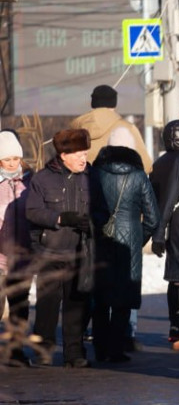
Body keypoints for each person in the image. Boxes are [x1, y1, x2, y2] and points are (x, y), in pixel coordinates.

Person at [25, 128, 94, 368]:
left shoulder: (91, 177)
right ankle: (43, 352)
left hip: (79, 251)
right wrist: (61, 219)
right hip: (49, 252)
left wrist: (92, 223)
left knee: (76, 305)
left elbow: (103, 209)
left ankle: (74, 353)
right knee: (47, 306)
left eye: (85, 152)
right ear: (63, 154)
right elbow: (32, 211)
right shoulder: (42, 179)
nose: (83, 158)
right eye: (78, 153)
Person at [89, 127, 159, 364]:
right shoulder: (139, 176)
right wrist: (140, 239)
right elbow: (153, 218)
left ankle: (99, 347)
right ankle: (116, 349)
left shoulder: (95, 172)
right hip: (129, 242)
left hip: (100, 240)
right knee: (123, 298)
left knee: (101, 297)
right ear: (131, 148)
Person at [149, 119, 179, 346]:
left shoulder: (158, 164)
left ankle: (175, 326)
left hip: (169, 224)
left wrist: (158, 231)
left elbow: (157, 199)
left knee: (174, 277)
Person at [0, 130, 33, 366]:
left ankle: (16, 350)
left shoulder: (30, 182)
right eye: (6, 159)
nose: (12, 164)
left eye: (15, 159)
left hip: (24, 256)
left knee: (19, 307)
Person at [70, 84, 153, 173]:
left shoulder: (75, 130)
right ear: (114, 104)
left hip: (82, 185)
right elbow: (146, 166)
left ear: (92, 103)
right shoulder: (128, 128)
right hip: (119, 184)